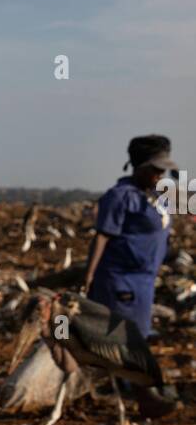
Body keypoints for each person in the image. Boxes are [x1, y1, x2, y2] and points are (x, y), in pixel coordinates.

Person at [84, 135, 176, 338]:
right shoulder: (121, 196)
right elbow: (102, 236)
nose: (161, 175)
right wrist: (89, 276)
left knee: (136, 339)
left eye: (164, 170)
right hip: (120, 284)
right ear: (140, 166)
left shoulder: (157, 197)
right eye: (156, 169)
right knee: (119, 341)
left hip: (144, 283)